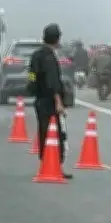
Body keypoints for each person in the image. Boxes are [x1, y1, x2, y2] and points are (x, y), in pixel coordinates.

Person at [28, 23, 71, 179]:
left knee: (43, 131)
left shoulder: (36, 55)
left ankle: (46, 162)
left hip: (39, 99)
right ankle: (54, 165)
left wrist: (33, 87)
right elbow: (52, 82)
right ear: (57, 39)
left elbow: (31, 75)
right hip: (49, 101)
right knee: (55, 133)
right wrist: (58, 102)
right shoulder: (49, 58)